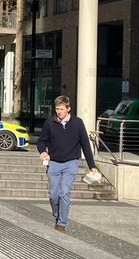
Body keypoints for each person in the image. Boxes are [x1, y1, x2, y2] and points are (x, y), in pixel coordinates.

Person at [37, 95, 99, 234]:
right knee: (53, 194)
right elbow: (41, 141)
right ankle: (57, 215)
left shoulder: (77, 123)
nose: (58, 112)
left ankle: (62, 224)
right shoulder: (49, 123)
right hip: (53, 162)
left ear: (68, 109)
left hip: (71, 162)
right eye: (57, 109)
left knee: (64, 192)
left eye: (61, 109)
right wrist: (42, 152)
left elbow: (85, 145)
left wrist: (92, 166)